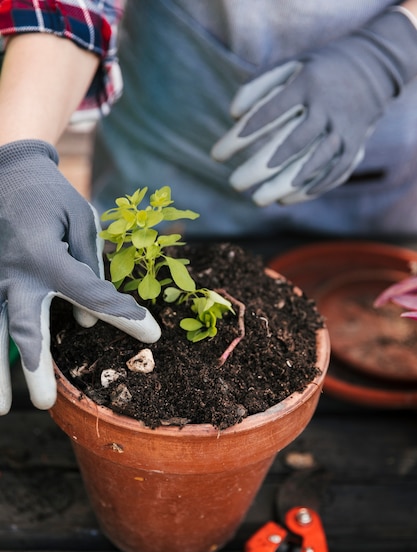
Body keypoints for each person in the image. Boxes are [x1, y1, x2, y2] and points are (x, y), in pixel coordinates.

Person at [1, 1, 417, 415]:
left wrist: (393, 49)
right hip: (171, 122)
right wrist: (17, 156)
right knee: (115, 275)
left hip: (369, 158)